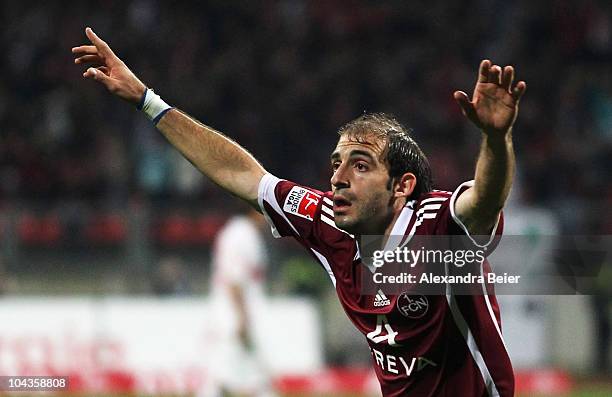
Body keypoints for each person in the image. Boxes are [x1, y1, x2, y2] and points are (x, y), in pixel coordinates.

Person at [73, 27, 526, 397]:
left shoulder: (439, 227)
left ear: (401, 186)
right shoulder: (328, 220)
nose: (338, 177)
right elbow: (245, 176)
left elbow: (485, 199)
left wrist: (495, 139)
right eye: (336, 163)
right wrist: (147, 101)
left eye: (360, 165)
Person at [202, 207, 276, 397]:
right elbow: (233, 278)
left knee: (250, 376)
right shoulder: (239, 234)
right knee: (222, 377)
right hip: (232, 314)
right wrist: (241, 317)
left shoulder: (245, 233)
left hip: (241, 312)